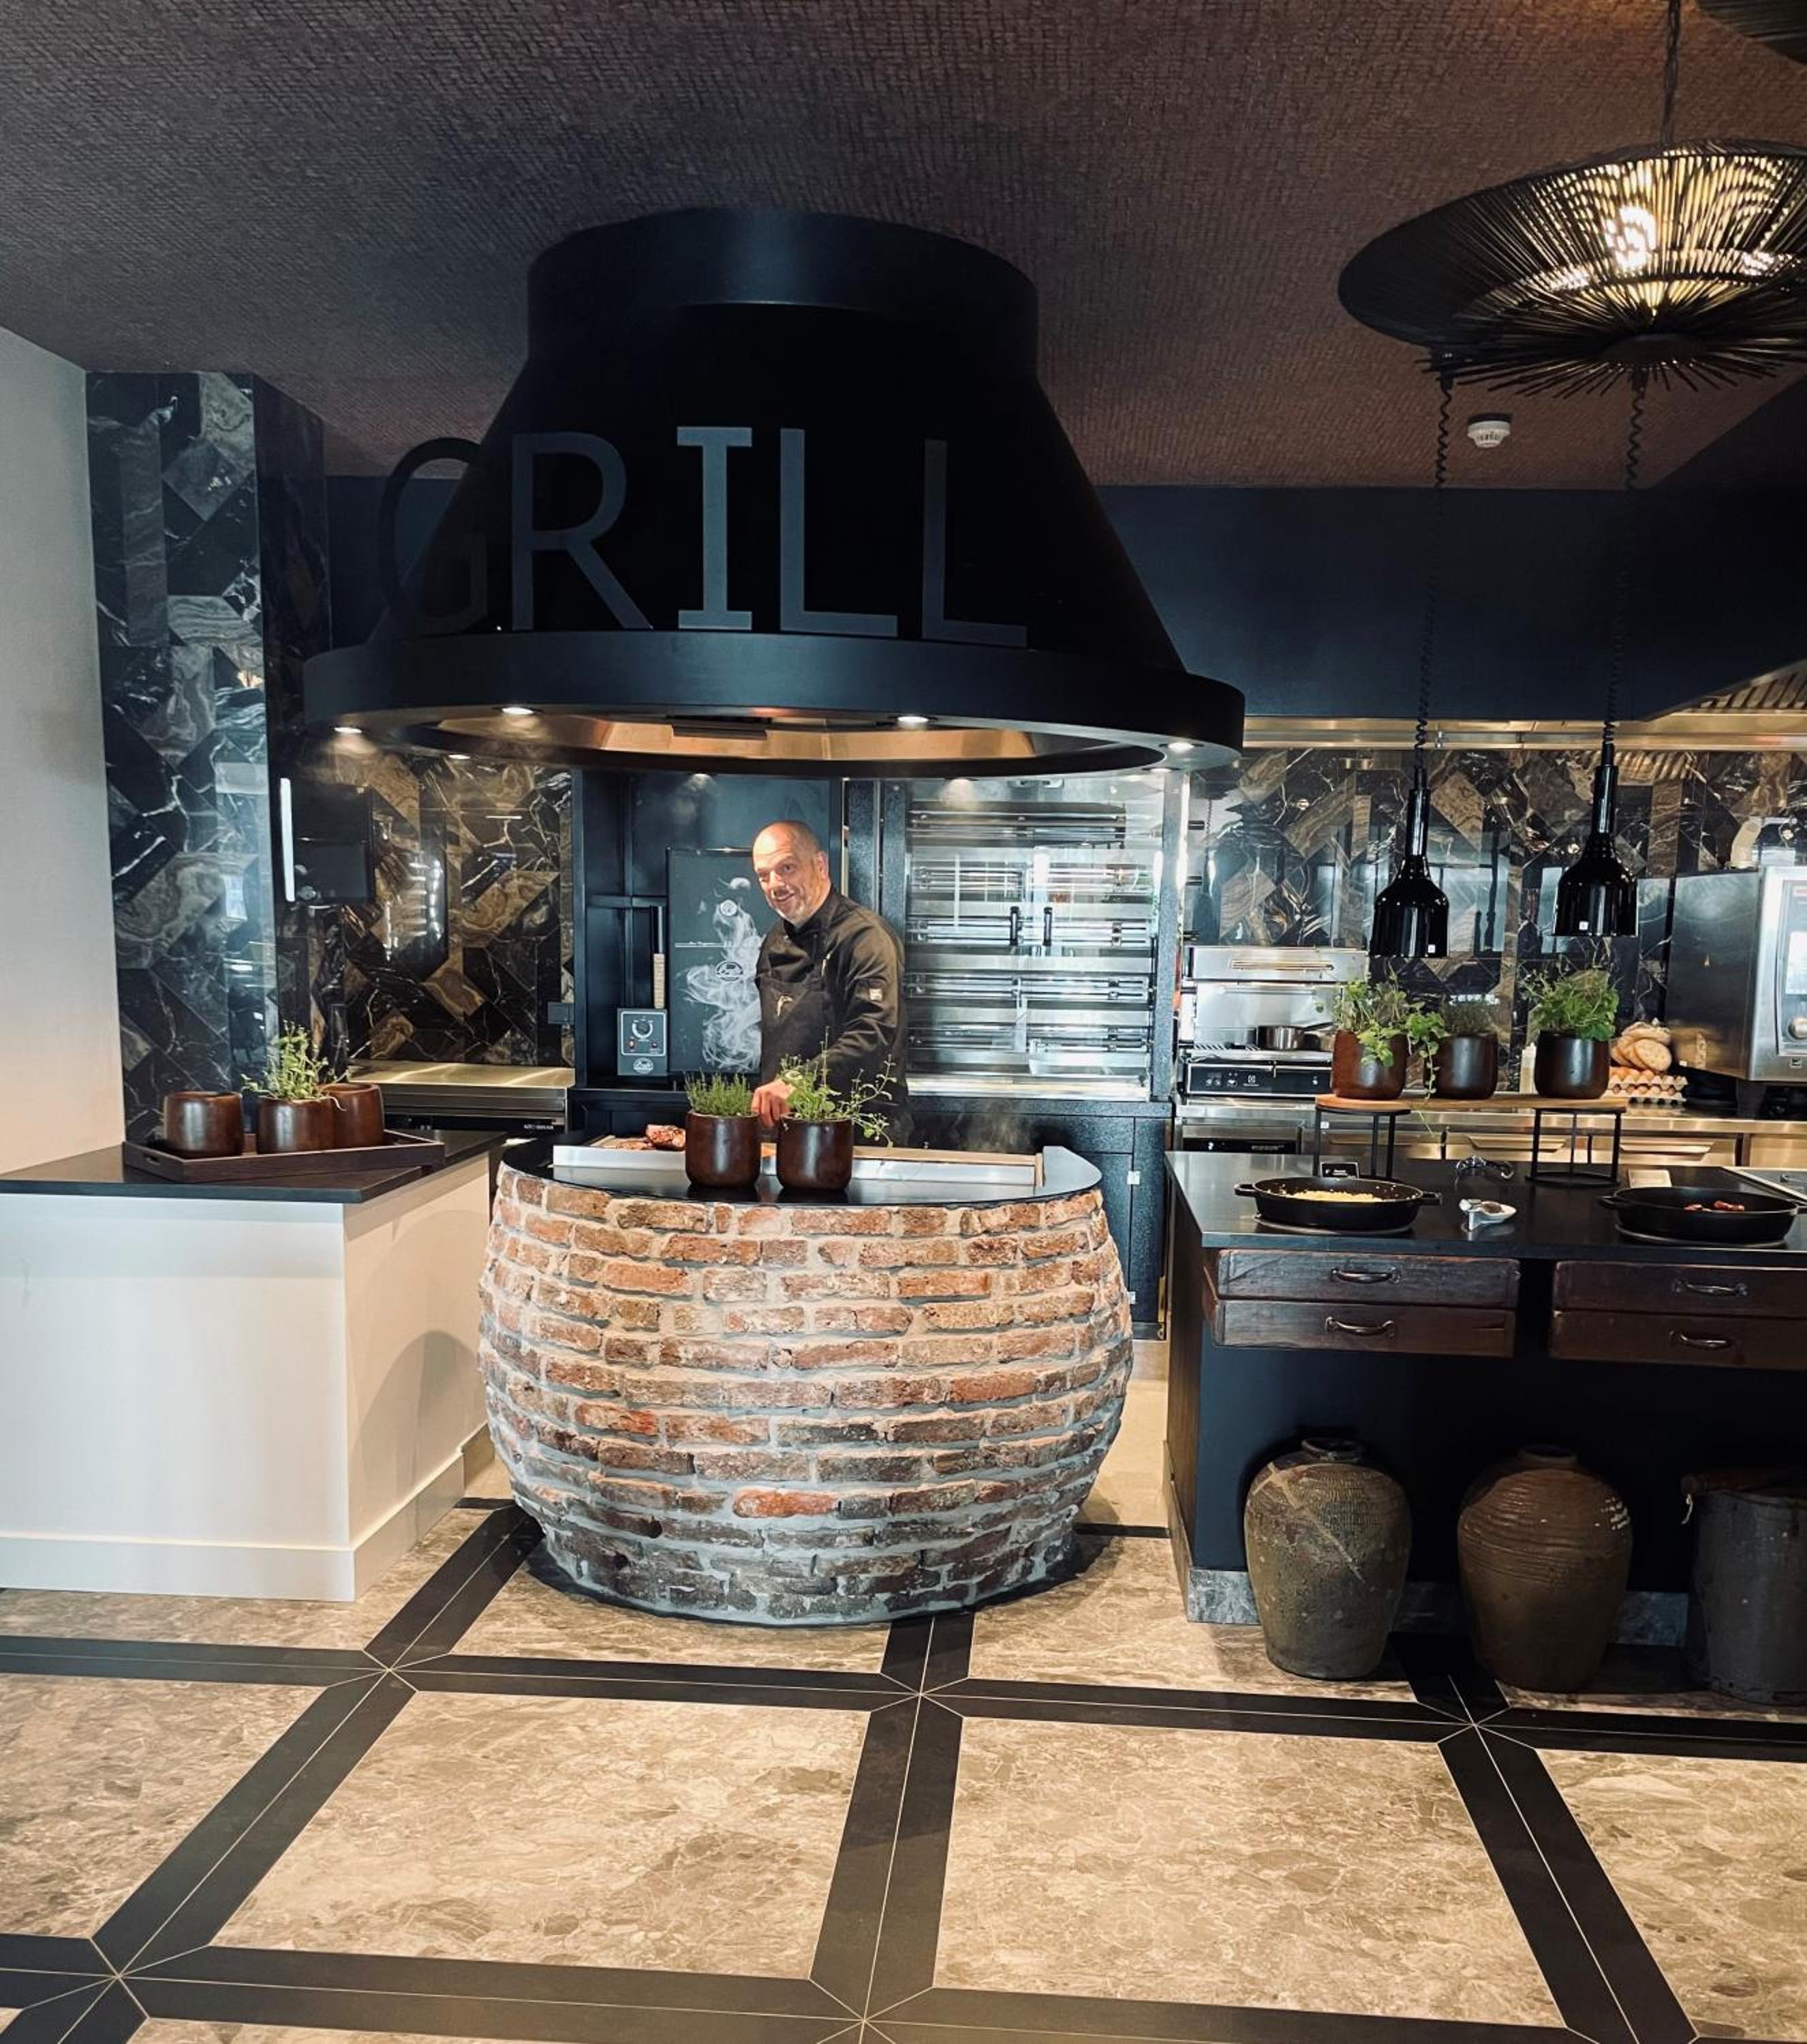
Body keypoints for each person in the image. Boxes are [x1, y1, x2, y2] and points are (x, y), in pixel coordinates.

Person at [747, 819, 910, 1139]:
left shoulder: (866, 937)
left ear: (820, 865)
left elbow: (873, 1032)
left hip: (856, 1133)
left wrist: (797, 1082)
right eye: (764, 876)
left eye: (787, 868)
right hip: (788, 1131)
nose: (774, 885)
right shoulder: (775, 940)